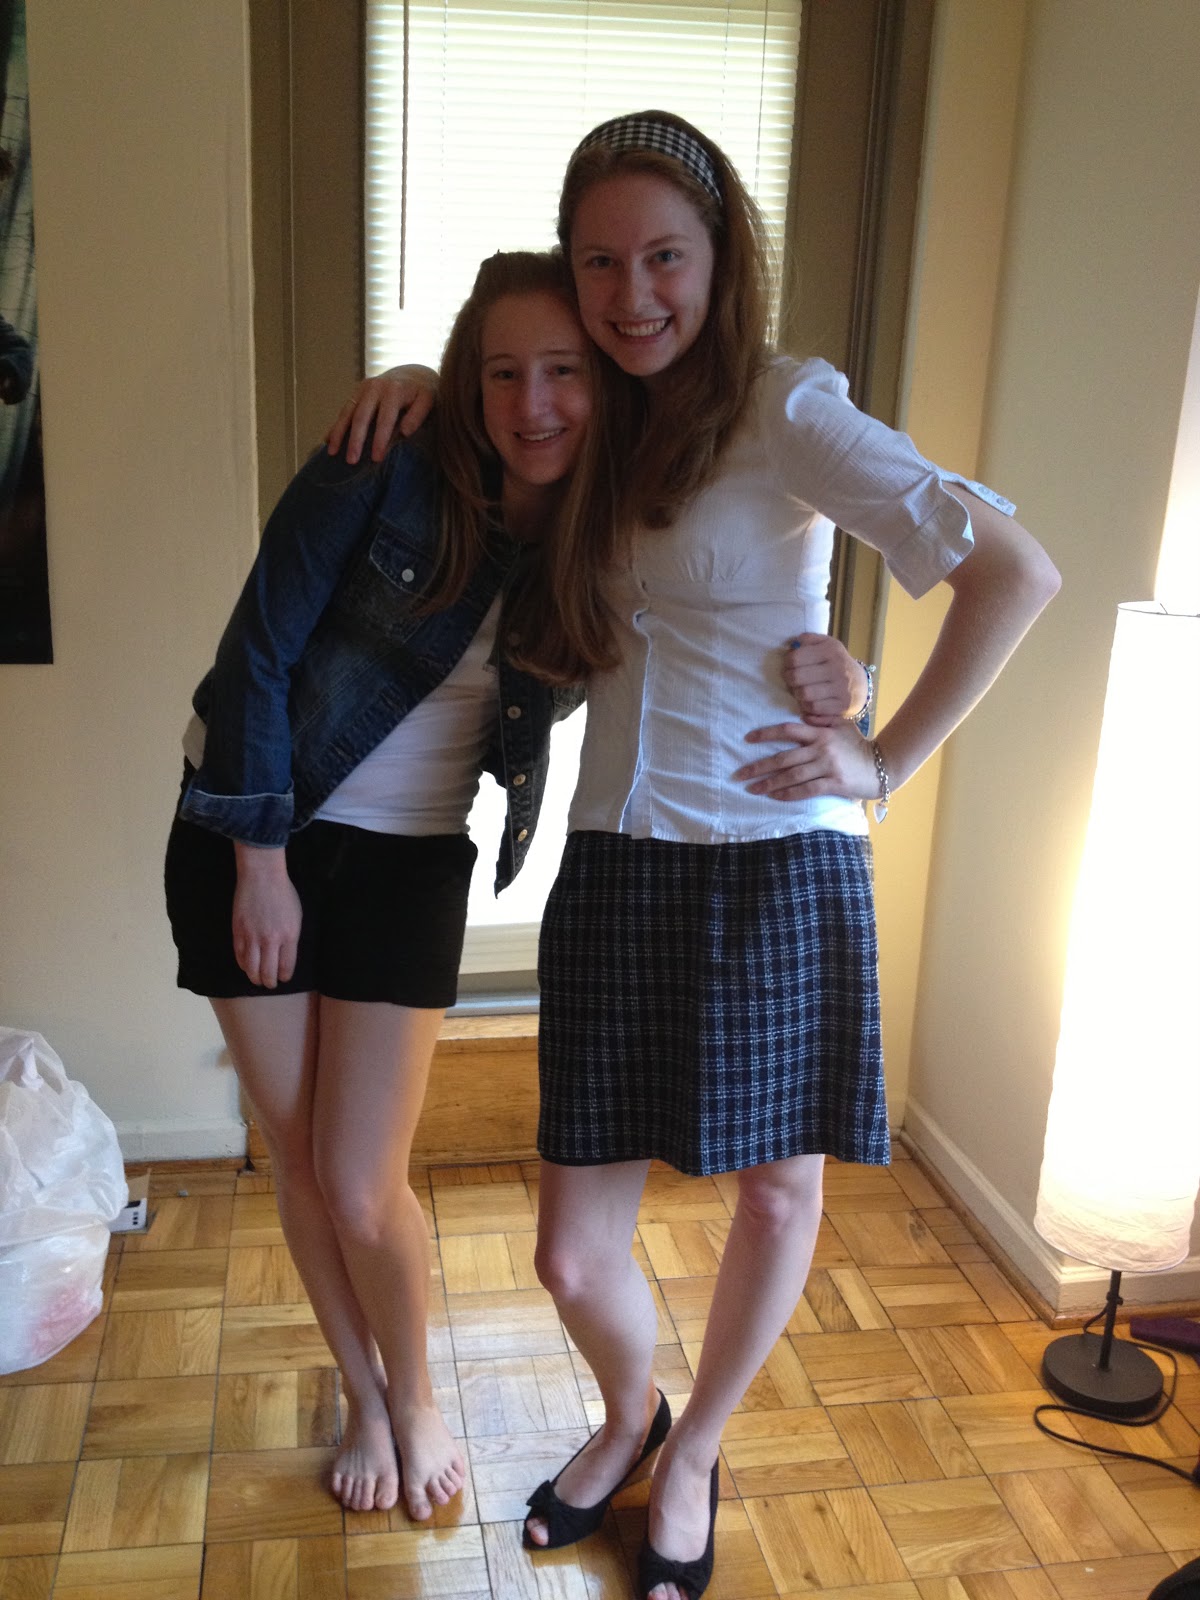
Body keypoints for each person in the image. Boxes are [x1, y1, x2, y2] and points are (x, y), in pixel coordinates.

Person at [327, 111, 1060, 1600]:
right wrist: (421, 385)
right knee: (570, 1253)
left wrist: (880, 750)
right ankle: (629, 1414)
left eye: (664, 256)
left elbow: (1013, 570)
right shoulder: (593, 413)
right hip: (619, 860)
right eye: (600, 262)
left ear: (723, 258)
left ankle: (698, 1449)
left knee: (777, 1196)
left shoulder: (788, 410)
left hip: (780, 859)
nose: (632, 293)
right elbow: (502, 412)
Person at [165, 250, 608, 1523]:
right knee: (304, 1158)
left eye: (563, 371)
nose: (533, 402)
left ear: (605, 384)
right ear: (465, 381)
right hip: (253, 831)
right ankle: (366, 1396)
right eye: (503, 372)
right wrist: (261, 861)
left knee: (362, 1178)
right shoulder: (390, 460)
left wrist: (838, 682)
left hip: (412, 859)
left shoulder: (606, 530)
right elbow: (258, 649)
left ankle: (417, 1393)